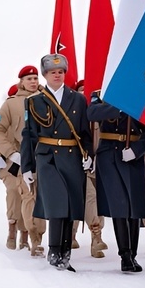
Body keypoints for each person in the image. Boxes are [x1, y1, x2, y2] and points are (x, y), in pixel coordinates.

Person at [21, 54, 92, 271]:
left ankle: (65, 253)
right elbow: (29, 135)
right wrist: (27, 166)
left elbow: (84, 132)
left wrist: (89, 156)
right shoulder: (34, 101)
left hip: (72, 156)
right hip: (47, 157)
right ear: (45, 75)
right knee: (56, 203)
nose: (57, 75)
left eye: (61, 72)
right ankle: (54, 250)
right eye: (53, 72)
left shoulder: (78, 99)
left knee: (71, 204)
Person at [87, 92, 145, 272]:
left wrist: (136, 150)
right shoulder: (100, 94)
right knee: (119, 204)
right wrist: (120, 105)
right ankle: (124, 255)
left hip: (132, 154)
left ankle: (133, 253)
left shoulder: (138, 94)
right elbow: (93, 113)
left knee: (135, 205)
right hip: (108, 154)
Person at [0, 66, 48, 257]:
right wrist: (5, 155)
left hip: (48, 155)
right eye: (29, 78)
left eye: (35, 78)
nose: (33, 81)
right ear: (21, 82)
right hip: (18, 160)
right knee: (25, 196)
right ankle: (30, 237)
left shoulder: (47, 98)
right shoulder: (11, 104)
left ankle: (32, 234)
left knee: (43, 197)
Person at [71, 79, 108, 259]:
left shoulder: (100, 111)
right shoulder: (74, 112)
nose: (83, 93)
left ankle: (95, 236)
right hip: (80, 161)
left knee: (96, 198)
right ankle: (87, 234)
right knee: (87, 196)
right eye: (80, 90)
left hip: (101, 161)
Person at [0, 95, 29, 252]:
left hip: (26, 159)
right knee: (13, 192)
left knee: (27, 195)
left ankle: (25, 235)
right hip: (7, 161)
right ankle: (12, 230)